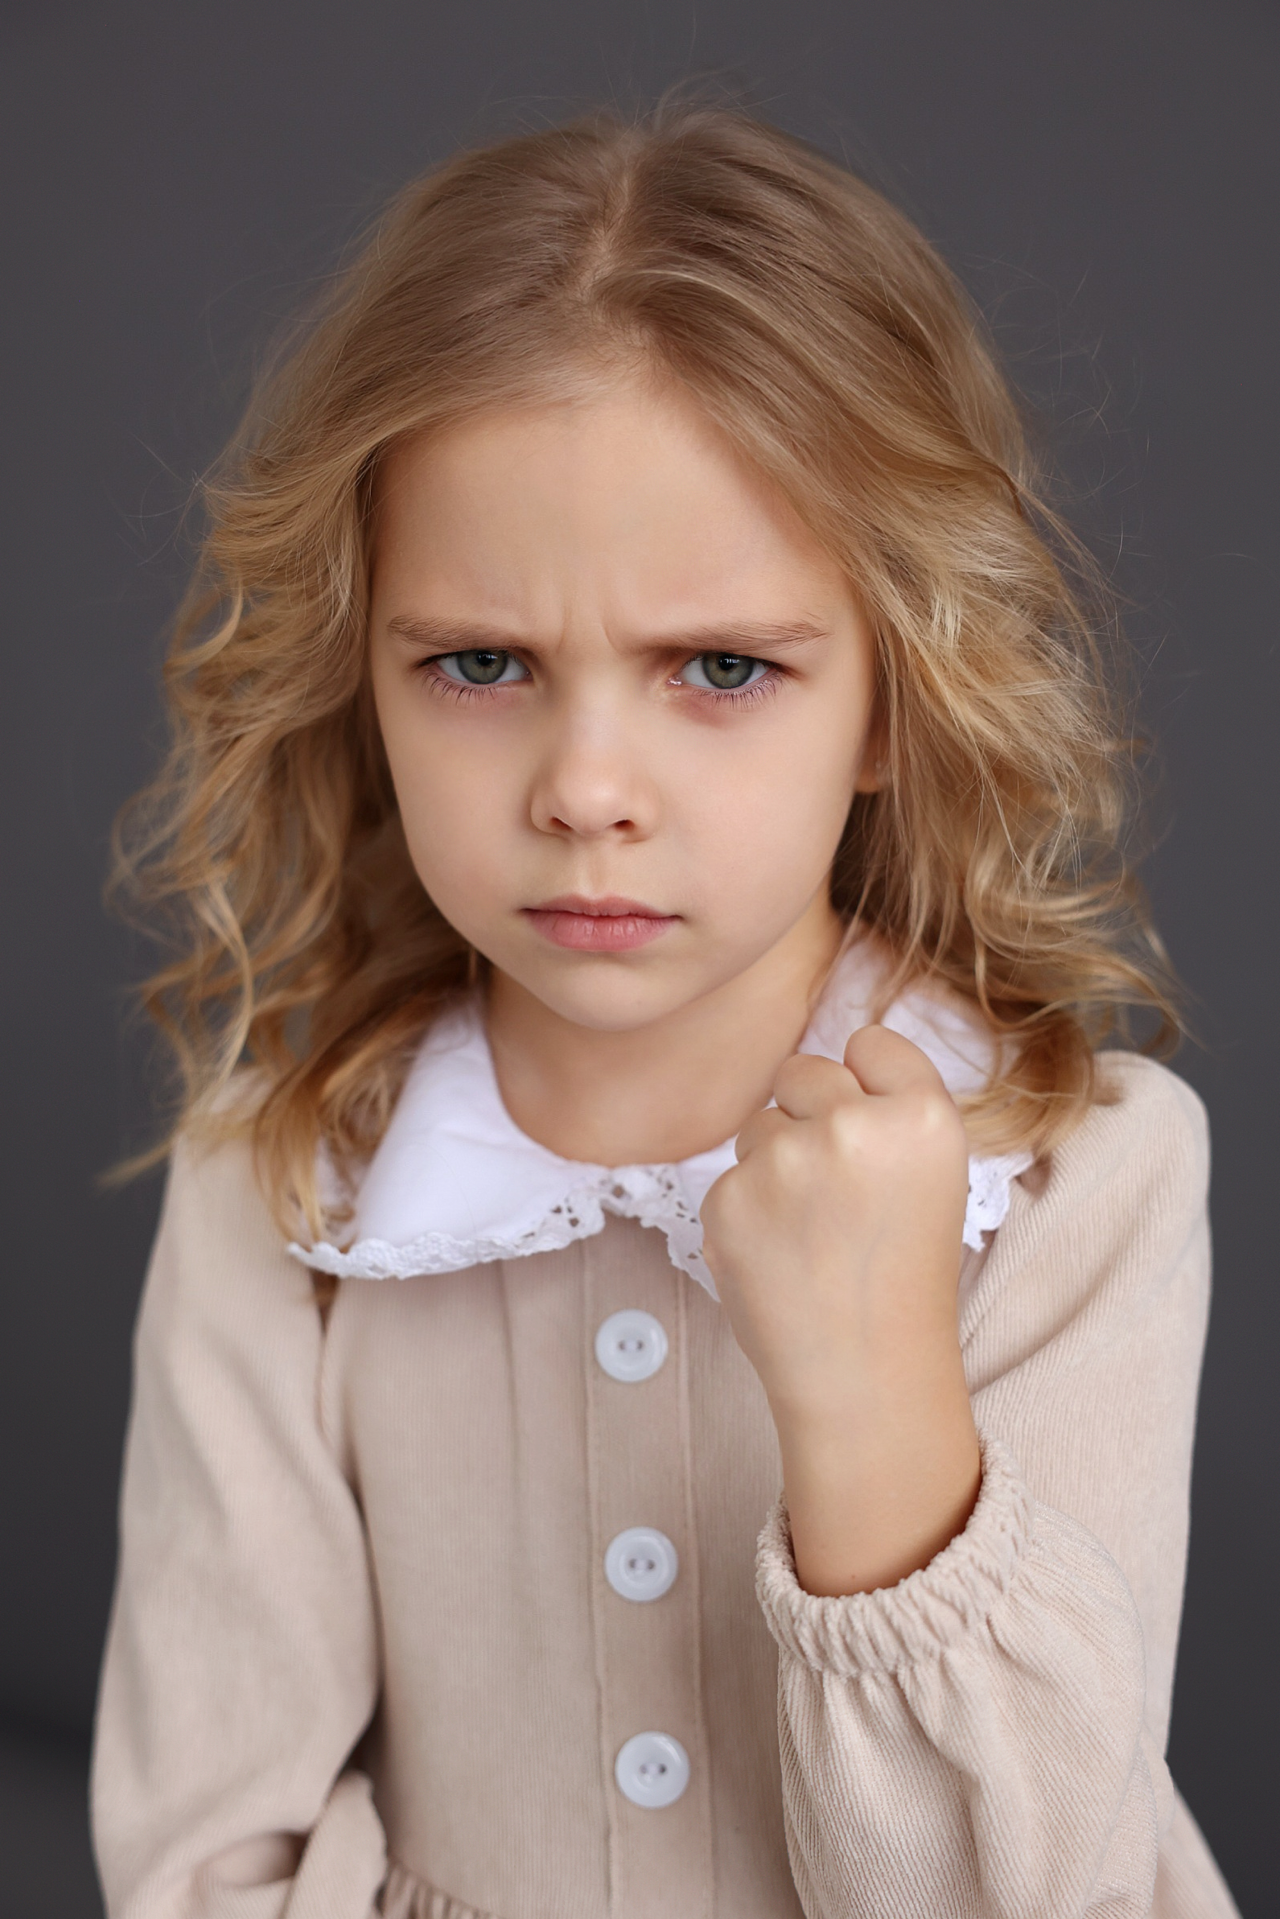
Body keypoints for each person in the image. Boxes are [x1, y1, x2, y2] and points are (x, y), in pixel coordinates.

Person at [90, 102, 1240, 1919]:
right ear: (362, 675)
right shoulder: (286, 1193)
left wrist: (874, 1393)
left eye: (720, 667)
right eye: (482, 662)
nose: (587, 789)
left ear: (890, 699)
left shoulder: (1074, 1181)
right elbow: (201, 1863)